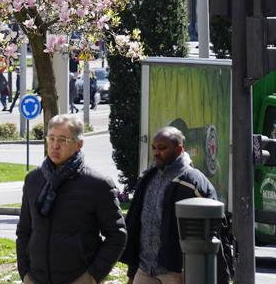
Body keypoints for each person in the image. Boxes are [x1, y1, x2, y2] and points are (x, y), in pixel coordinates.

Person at [16, 114, 127, 284]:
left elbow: (117, 235)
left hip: (77, 277)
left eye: (62, 140)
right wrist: (25, 273)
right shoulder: (34, 180)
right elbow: (24, 231)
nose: (54, 146)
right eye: (51, 138)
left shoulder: (97, 184)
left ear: (79, 144)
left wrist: (92, 277)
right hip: (36, 278)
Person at [120, 126, 227, 284]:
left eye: (162, 148)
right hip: (144, 270)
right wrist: (132, 271)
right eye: (154, 148)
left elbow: (215, 230)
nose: (156, 152)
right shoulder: (148, 178)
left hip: (176, 273)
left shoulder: (193, 181)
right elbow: (138, 224)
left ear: (178, 149)